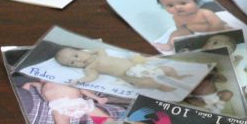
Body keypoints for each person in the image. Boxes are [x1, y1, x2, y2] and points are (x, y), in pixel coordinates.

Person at [54, 46, 184, 92]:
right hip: (128, 74)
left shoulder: (99, 55)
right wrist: (79, 80)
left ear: (82, 51)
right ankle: (161, 86)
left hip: (139, 67)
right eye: (73, 63)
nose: (78, 60)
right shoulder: (90, 67)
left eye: (76, 55)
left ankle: (178, 77)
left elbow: (100, 49)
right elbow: (92, 77)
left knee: (167, 69)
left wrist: (89, 52)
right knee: (146, 83)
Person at [155, 0, 229, 48]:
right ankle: (169, 45)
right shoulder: (176, 17)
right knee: (175, 33)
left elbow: (217, 23)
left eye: (183, 3)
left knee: (227, 29)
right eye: (170, 5)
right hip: (193, 32)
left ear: (195, 2)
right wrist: (182, 35)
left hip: (215, 29)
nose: (177, 7)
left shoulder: (205, 13)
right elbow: (181, 28)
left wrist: (211, 34)